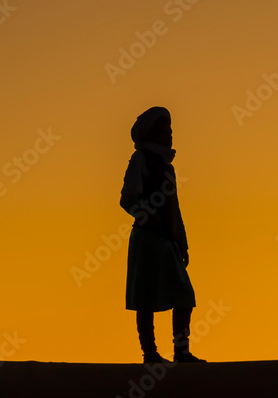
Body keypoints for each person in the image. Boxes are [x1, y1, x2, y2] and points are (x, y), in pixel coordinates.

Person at [120, 106, 205, 364]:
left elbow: (174, 208)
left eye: (170, 130)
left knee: (184, 296)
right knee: (144, 299)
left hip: (166, 242)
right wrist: (152, 219)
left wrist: (182, 242)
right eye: (165, 130)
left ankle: (181, 352)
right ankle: (151, 355)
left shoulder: (166, 167)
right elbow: (128, 199)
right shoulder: (141, 160)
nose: (170, 135)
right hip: (147, 239)